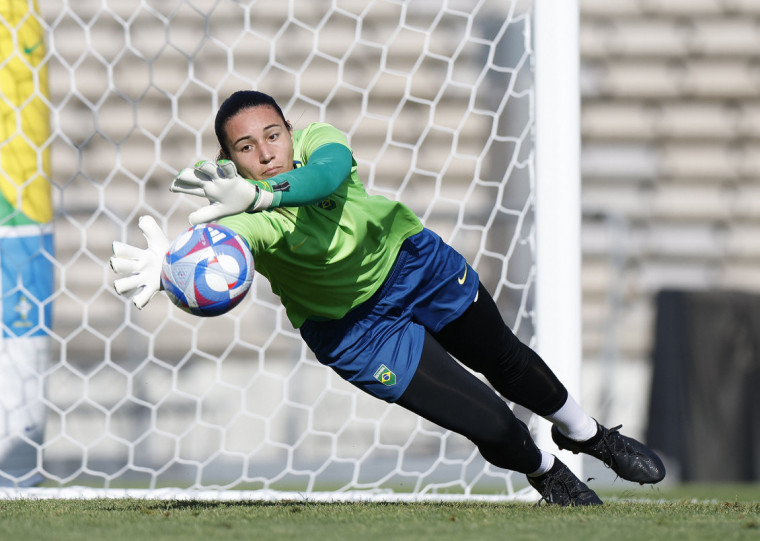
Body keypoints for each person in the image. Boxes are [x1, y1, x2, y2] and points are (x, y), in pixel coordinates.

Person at [110, 90, 665, 506]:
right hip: (355, 331)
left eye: (273, 134)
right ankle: (547, 472)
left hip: (412, 264)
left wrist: (259, 194)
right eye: (247, 147)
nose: (268, 152)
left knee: (503, 358)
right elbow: (228, 249)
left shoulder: (316, 144)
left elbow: (324, 177)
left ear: (289, 131)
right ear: (228, 159)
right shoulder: (241, 215)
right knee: (492, 425)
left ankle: (588, 434)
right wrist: (175, 271)